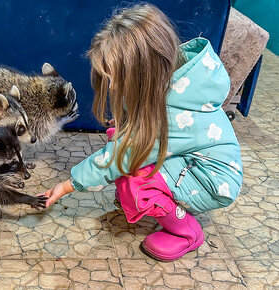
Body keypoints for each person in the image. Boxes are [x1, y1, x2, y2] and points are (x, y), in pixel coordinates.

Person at [40, 4, 242, 261]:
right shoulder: (172, 81)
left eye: (116, 79)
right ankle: (168, 199)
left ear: (142, 74)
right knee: (124, 141)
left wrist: (67, 185)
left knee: (135, 180)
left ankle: (187, 233)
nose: (111, 85)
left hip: (213, 183)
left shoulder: (171, 114)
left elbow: (119, 157)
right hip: (195, 164)